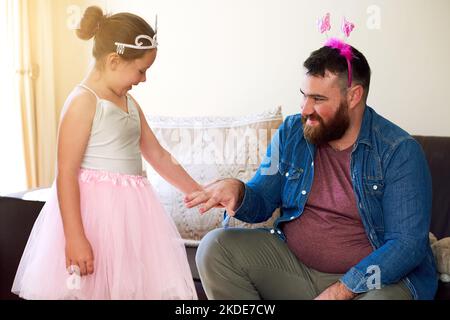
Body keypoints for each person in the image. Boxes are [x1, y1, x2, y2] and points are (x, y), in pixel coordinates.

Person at [186, 38, 438, 300]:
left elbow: (407, 244)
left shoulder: (398, 150)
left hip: (373, 284)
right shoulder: (292, 132)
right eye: (304, 95)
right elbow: (262, 199)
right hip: (295, 270)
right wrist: (238, 192)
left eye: (318, 99)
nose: (305, 109)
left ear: (353, 96)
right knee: (215, 248)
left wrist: (342, 290)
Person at [12, 6, 200, 300]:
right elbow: (66, 172)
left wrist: (198, 191)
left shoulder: (130, 104)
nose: (144, 80)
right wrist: (75, 237)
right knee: (92, 287)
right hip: (93, 217)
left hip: (132, 216)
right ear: (114, 60)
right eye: (141, 70)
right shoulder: (83, 102)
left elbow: (158, 155)